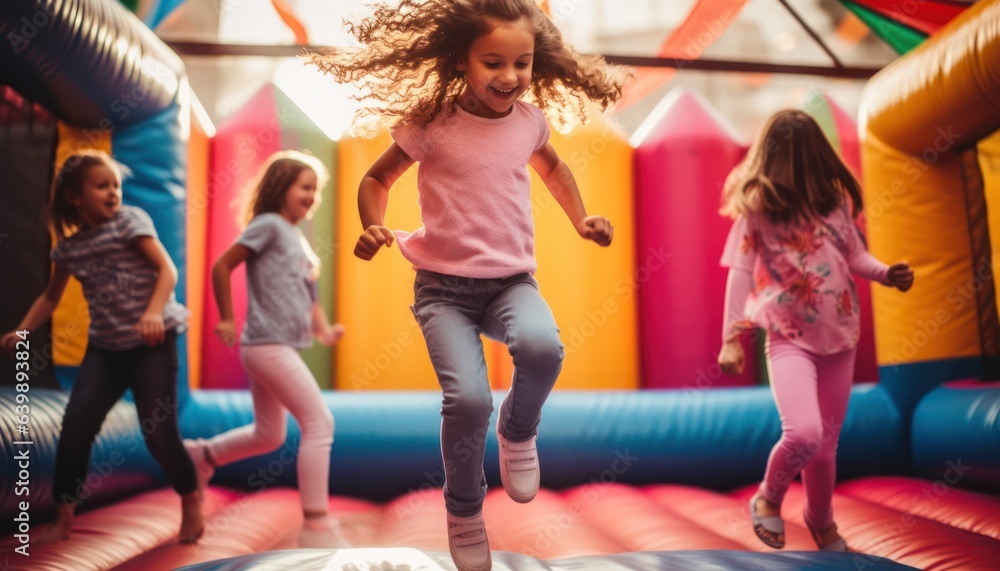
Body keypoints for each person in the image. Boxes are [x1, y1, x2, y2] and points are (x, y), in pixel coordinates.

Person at [306, 1, 626, 569]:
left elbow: (555, 169)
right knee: (467, 398)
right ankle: (463, 508)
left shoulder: (529, 122)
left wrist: (581, 220)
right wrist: (372, 223)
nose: (509, 77)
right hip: (443, 290)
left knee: (543, 347)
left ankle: (519, 430)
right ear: (463, 60)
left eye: (521, 63)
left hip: (510, 282)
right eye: (493, 62)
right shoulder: (432, 122)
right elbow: (378, 177)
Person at [717, 109, 914, 552]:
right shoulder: (759, 210)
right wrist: (732, 337)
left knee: (825, 449)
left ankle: (820, 519)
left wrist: (885, 273)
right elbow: (740, 273)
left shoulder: (832, 204)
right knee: (804, 434)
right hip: (788, 335)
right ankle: (768, 496)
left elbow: (854, 256)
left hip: (840, 334)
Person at [0, 150, 202, 543]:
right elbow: (49, 298)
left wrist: (154, 312)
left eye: (116, 186)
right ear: (76, 197)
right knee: (76, 425)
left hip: (152, 340)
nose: (113, 193)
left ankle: (191, 498)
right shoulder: (69, 249)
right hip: (106, 349)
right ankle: (63, 517)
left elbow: (167, 269)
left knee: (158, 431)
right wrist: (23, 330)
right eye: (102, 186)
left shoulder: (132, 222)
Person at [184, 150, 348, 548]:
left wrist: (324, 332)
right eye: (305, 187)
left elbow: (309, 296)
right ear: (281, 187)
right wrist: (225, 317)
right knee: (319, 423)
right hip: (267, 344)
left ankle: (202, 456)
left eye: (317, 190)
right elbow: (223, 265)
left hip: (276, 346)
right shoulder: (270, 225)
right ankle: (316, 524)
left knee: (269, 434)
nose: (312, 196)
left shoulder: (295, 237)